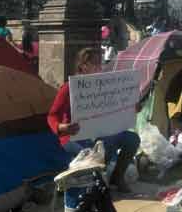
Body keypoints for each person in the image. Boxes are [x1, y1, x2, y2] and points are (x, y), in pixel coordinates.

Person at [47, 47, 140, 193]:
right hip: (73, 137)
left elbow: (116, 108)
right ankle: (93, 185)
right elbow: (52, 115)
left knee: (132, 139)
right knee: (97, 153)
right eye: (95, 63)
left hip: (101, 133)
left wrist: (131, 108)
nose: (99, 67)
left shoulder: (106, 85)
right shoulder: (69, 88)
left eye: (100, 63)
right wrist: (61, 128)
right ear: (83, 66)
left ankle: (117, 177)